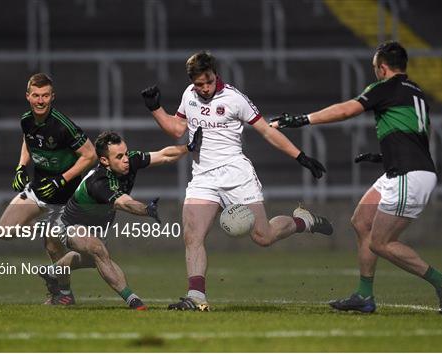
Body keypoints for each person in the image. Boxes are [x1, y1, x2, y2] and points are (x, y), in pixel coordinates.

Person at [270, 41, 442, 314]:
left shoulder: (385, 87)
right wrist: (384, 156)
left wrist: (301, 120)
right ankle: (364, 296)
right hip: (404, 169)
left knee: (380, 242)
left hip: (408, 175)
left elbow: (347, 109)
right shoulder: (416, 93)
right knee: (361, 221)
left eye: (375, 68)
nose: (375, 73)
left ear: (382, 68)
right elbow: (414, 138)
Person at [141, 51, 333, 312]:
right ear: (192, 81)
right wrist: (156, 109)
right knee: (192, 235)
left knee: (263, 237)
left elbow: (266, 130)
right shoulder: (189, 95)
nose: (205, 88)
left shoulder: (234, 98)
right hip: (203, 177)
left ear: (215, 74)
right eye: (199, 84)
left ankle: (304, 221)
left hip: (236, 174)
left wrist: (300, 156)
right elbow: (176, 129)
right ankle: (196, 297)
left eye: (208, 81)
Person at [40, 128, 203, 309]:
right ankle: (133, 300)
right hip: (71, 224)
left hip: (99, 226)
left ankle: (52, 272)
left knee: (92, 258)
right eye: (119, 157)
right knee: (97, 250)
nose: (126, 159)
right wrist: (146, 210)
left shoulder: (130, 160)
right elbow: (124, 203)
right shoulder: (98, 183)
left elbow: (164, 155)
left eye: (125, 153)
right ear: (104, 161)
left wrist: (188, 148)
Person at [0, 73, 97, 281]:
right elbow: (28, 139)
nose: (40, 100)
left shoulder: (63, 126)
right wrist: (20, 167)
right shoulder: (26, 120)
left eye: (45, 95)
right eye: (36, 95)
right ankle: (45, 227)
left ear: (53, 97)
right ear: (28, 96)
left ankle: (63, 293)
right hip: (39, 190)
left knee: (53, 248)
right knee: (4, 231)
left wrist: (61, 179)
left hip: (65, 198)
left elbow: (91, 155)